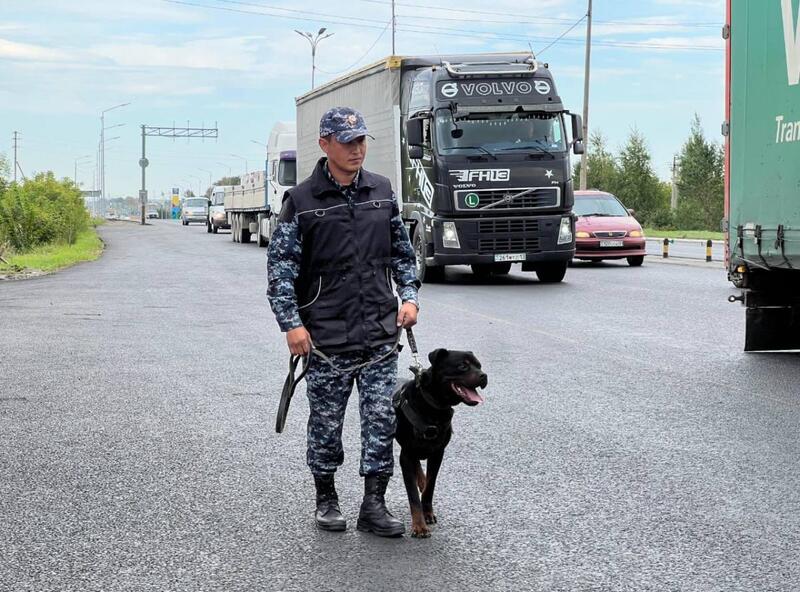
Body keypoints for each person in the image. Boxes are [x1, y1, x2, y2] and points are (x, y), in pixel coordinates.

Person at [267, 107, 420, 537]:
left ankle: (374, 504)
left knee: (381, 421)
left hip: (379, 333)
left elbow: (403, 254)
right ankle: (327, 499)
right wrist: (291, 324)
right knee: (326, 424)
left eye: (361, 140)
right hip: (325, 338)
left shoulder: (382, 191)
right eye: (347, 141)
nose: (357, 149)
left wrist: (409, 297)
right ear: (325, 144)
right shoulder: (301, 201)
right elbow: (280, 271)